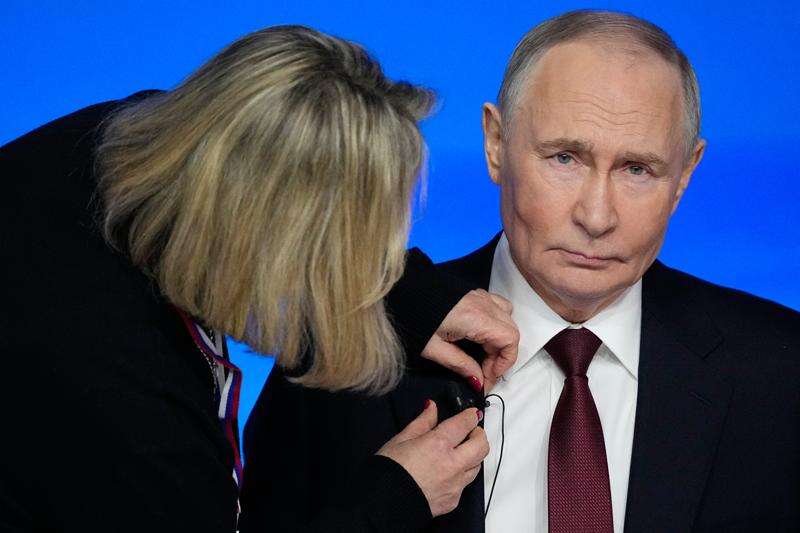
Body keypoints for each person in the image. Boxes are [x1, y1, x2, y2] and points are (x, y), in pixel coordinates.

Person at [241, 10, 800, 533]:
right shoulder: (341, 353)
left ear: (685, 174)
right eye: (565, 158)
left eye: (637, 169)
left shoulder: (780, 374)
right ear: (495, 143)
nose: (597, 217)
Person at [0, 26, 520, 532]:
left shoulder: (126, 139)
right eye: (353, 248)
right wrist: (393, 499)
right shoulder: (136, 418)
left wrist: (408, 295)